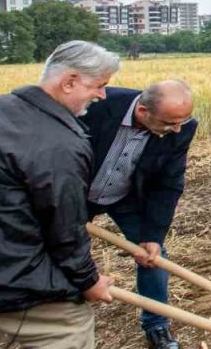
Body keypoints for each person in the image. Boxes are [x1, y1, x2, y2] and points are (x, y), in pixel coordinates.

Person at [0, 41, 118, 349]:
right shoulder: (61, 142)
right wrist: (89, 281)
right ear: (69, 81)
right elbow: (65, 228)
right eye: (99, 86)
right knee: (71, 330)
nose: (102, 95)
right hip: (13, 282)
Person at [82, 81, 197, 349]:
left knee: (154, 257)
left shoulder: (182, 128)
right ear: (143, 111)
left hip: (125, 195)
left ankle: (157, 326)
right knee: (63, 254)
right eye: (170, 123)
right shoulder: (97, 106)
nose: (177, 129)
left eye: (182, 121)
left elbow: (168, 184)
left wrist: (153, 235)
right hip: (77, 195)